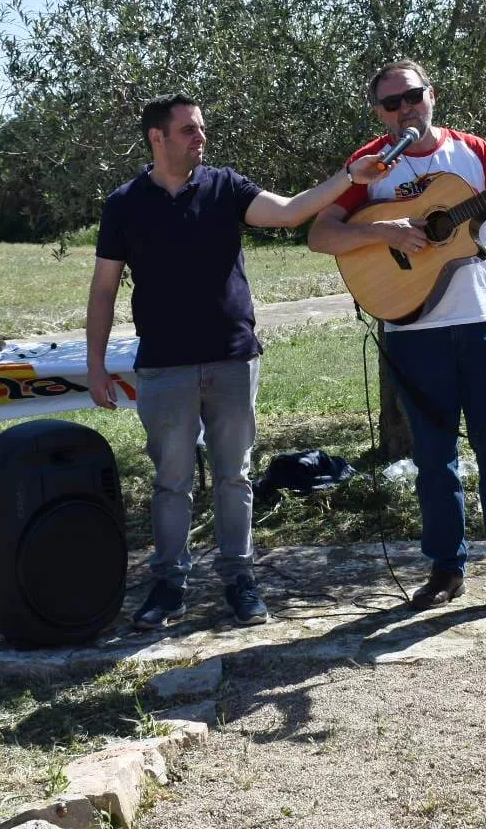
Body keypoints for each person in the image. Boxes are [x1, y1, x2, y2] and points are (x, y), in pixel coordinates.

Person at [87, 94, 389, 630]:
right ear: (157, 138)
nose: (200, 137)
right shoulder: (124, 204)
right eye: (188, 131)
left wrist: (349, 175)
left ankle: (239, 579)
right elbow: (104, 290)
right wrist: (95, 364)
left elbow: (292, 211)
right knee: (171, 481)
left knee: (235, 477)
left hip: (232, 359)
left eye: (201, 129)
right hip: (164, 365)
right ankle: (168, 585)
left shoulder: (226, 186)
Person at [307, 60, 486, 618]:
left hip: (479, 325)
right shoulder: (369, 166)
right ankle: (446, 570)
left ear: (431, 96)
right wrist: (381, 230)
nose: (404, 109)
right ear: (379, 112)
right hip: (411, 330)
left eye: (412, 96)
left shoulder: (473, 153)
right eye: (391, 103)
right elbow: (320, 234)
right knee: (434, 458)